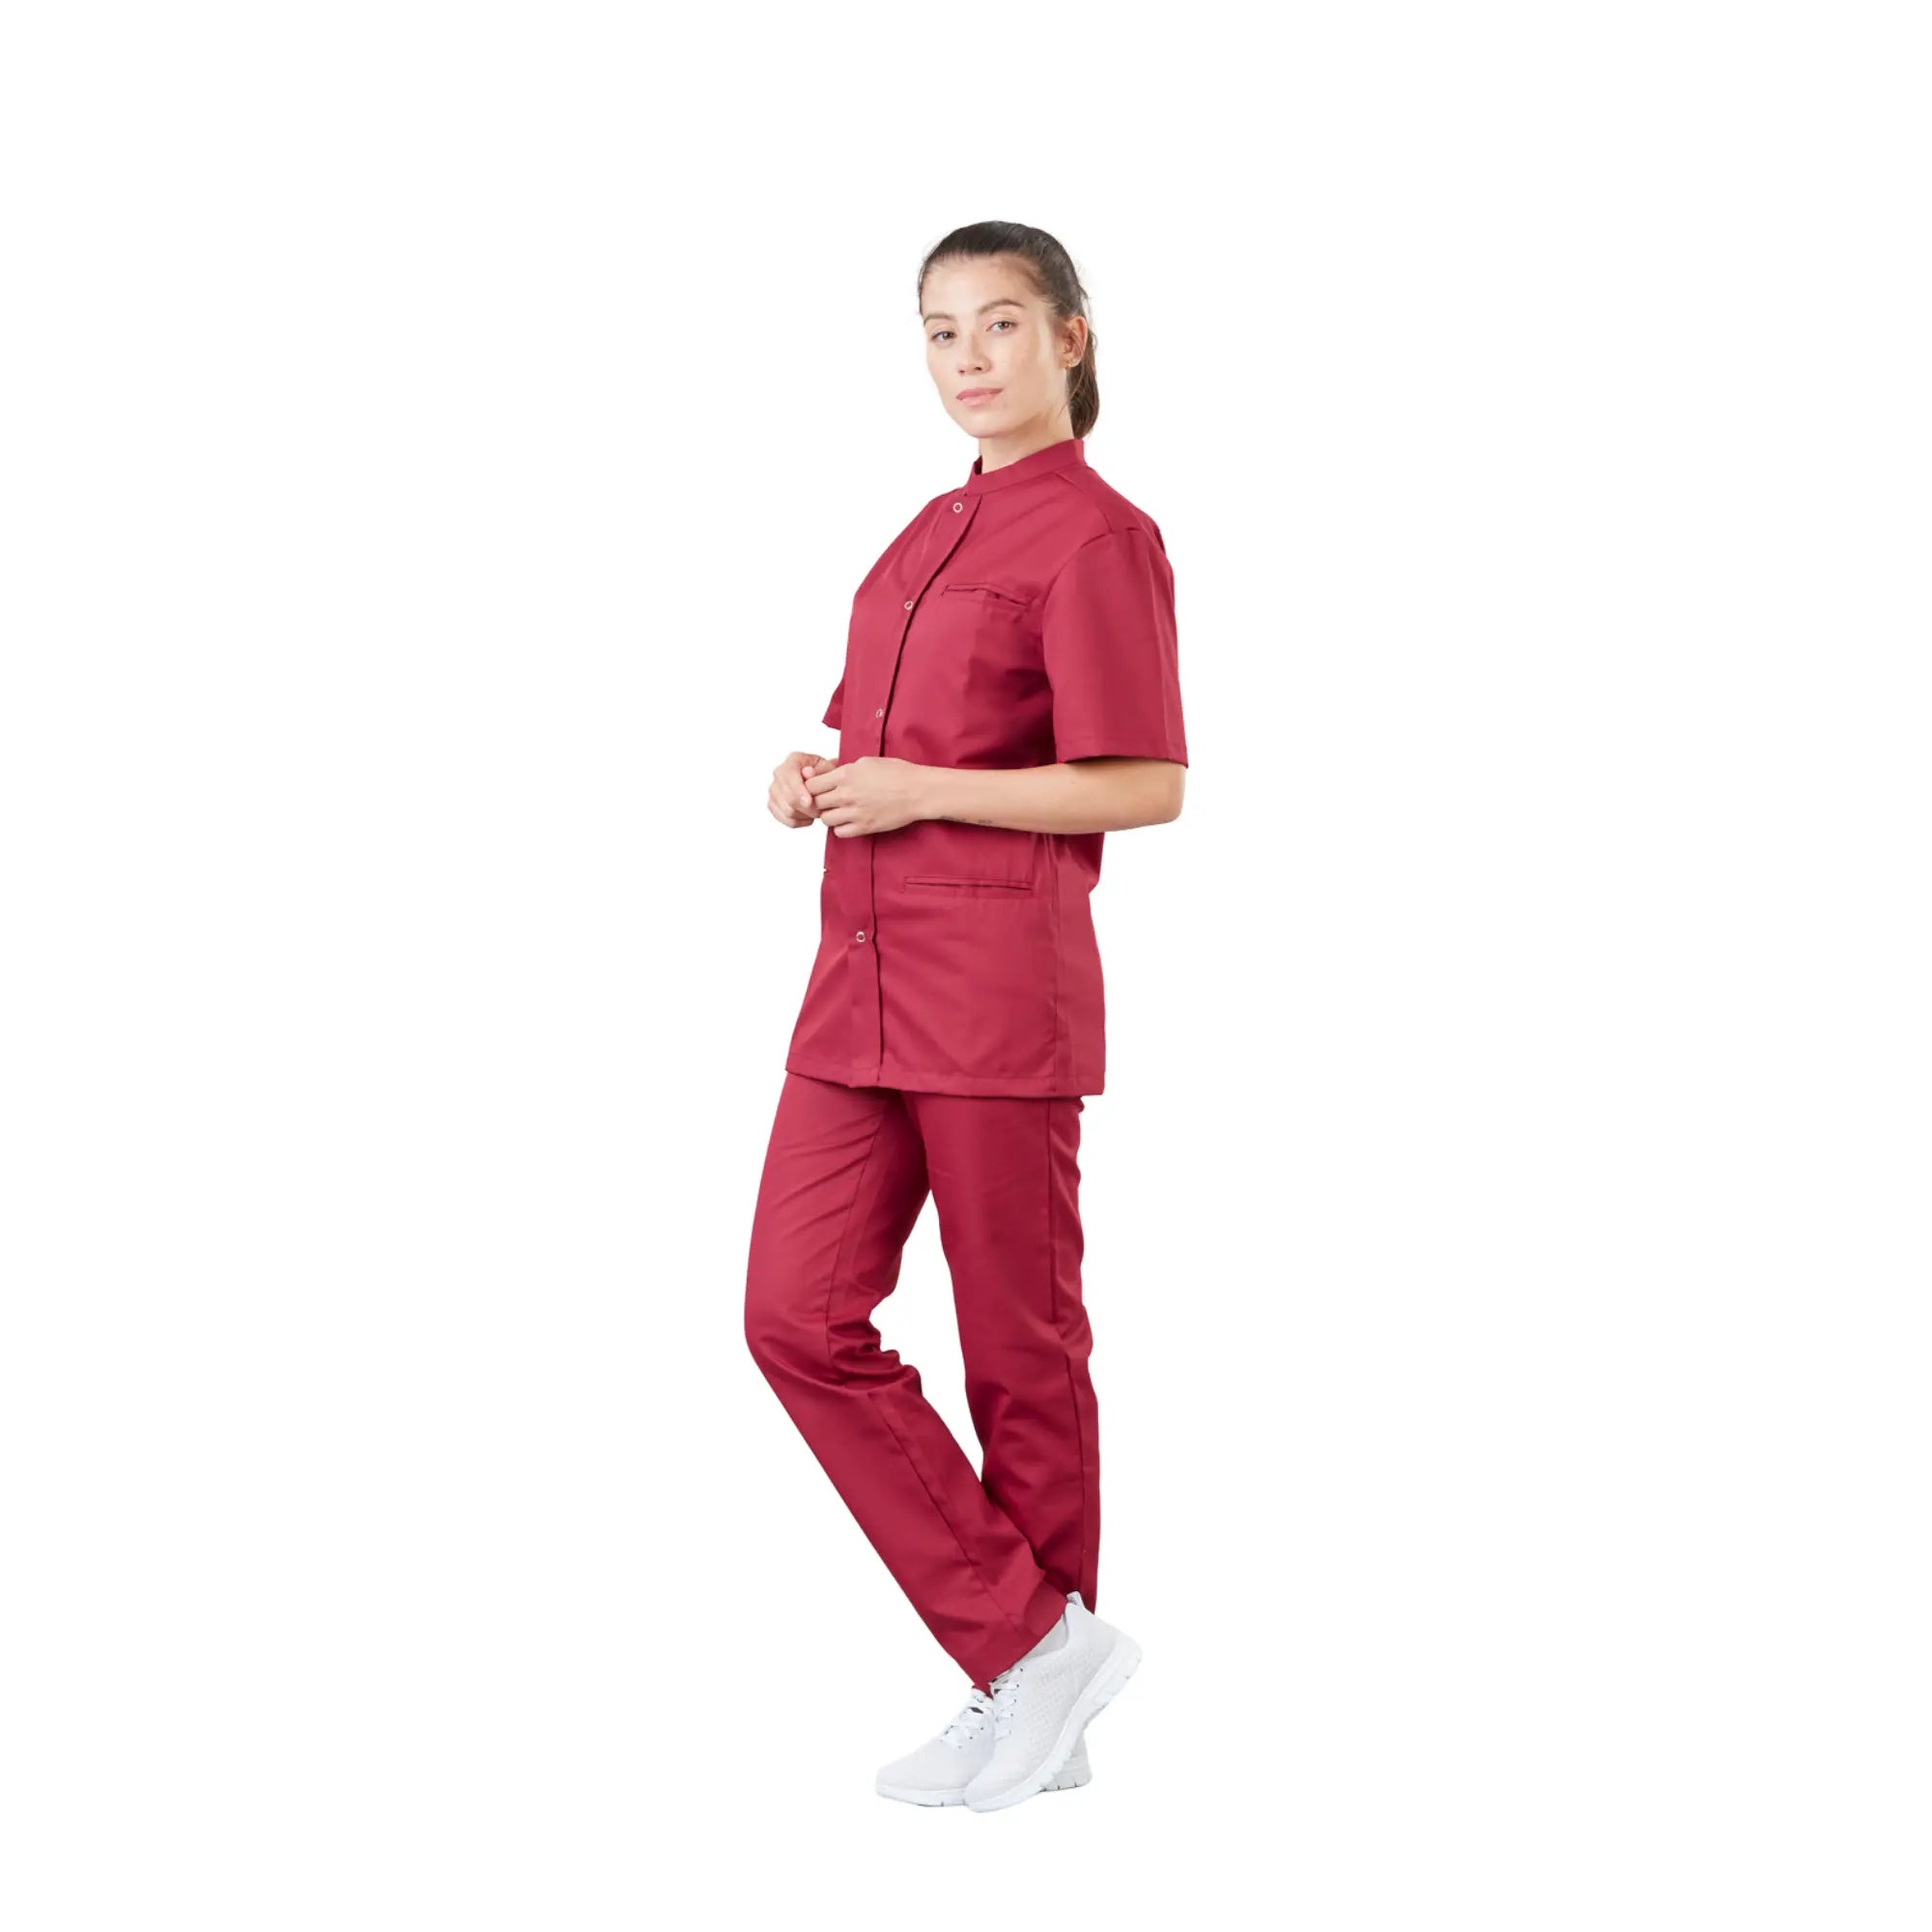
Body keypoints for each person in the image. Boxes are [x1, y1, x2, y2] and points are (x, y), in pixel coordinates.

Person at [743, 220, 1188, 1812]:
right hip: (856, 987)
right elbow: (885, 734)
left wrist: (924, 789)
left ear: (1071, 337)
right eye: (940, 332)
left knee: (1019, 1352)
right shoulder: (924, 532)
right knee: (794, 1315)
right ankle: (1036, 1652)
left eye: (1001, 323)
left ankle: (1035, 1706)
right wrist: (812, 776)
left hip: (996, 992)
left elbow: (1147, 782)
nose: (968, 358)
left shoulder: (1100, 537)